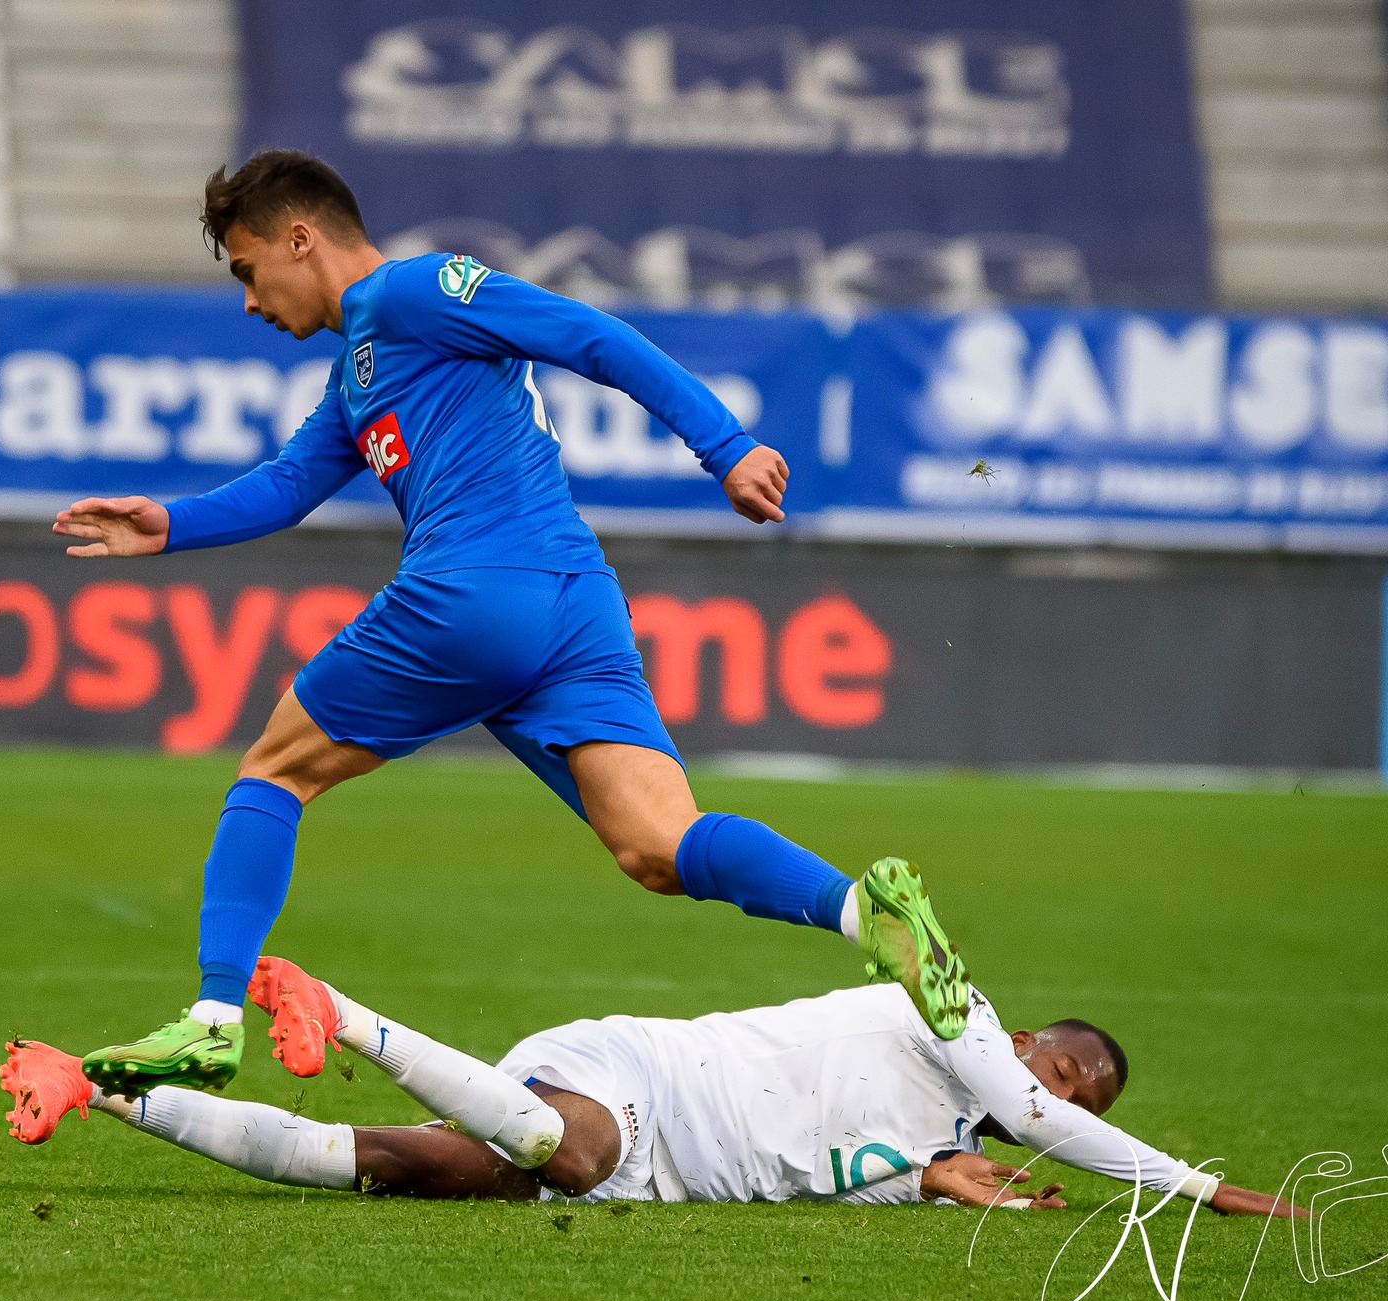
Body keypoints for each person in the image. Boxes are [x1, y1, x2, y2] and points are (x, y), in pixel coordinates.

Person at [50, 149, 968, 1100]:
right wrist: (171, 524)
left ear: (298, 237)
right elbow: (288, 487)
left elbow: (589, 333)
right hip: (574, 604)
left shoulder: (415, 290)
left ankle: (209, 1020)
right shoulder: (361, 367)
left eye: (247, 271)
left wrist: (725, 445)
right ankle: (868, 912)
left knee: (274, 768)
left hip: (475, 586)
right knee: (656, 845)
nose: (249, 300)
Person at [0, 956, 1297, 1218]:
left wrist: (918, 1178)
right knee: (559, 1155)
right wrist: (1206, 1189)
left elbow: (812, 1169)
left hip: (663, 1166)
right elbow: (1035, 1116)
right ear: (1023, 1031)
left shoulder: (957, 1139)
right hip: (635, 1077)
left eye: (1078, 1090)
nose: (1051, 1085)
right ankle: (344, 1010)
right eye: (1060, 1060)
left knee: (388, 1163)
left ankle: (96, 1082)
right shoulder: (944, 1011)